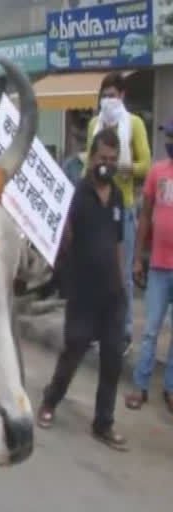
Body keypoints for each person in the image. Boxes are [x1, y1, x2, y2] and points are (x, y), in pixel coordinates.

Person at [37, 129, 128, 451]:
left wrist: (122, 282)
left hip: (112, 295)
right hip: (83, 293)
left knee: (113, 359)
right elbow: (62, 236)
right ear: (91, 159)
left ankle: (103, 423)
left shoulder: (116, 195)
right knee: (73, 352)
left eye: (113, 160)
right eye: (103, 159)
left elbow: (117, 241)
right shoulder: (76, 194)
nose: (108, 165)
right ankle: (49, 401)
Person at [85, 72, 151, 355]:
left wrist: (123, 167)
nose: (108, 101)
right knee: (97, 270)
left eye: (113, 95)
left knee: (122, 273)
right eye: (104, 96)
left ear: (122, 96)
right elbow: (90, 159)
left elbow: (145, 164)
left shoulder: (133, 124)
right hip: (96, 204)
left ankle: (123, 332)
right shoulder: (93, 124)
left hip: (122, 204)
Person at [125, 119, 173, 414]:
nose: (170, 140)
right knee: (151, 330)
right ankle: (139, 386)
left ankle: (170, 388)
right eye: (169, 136)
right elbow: (144, 217)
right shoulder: (157, 171)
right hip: (157, 266)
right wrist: (136, 258)